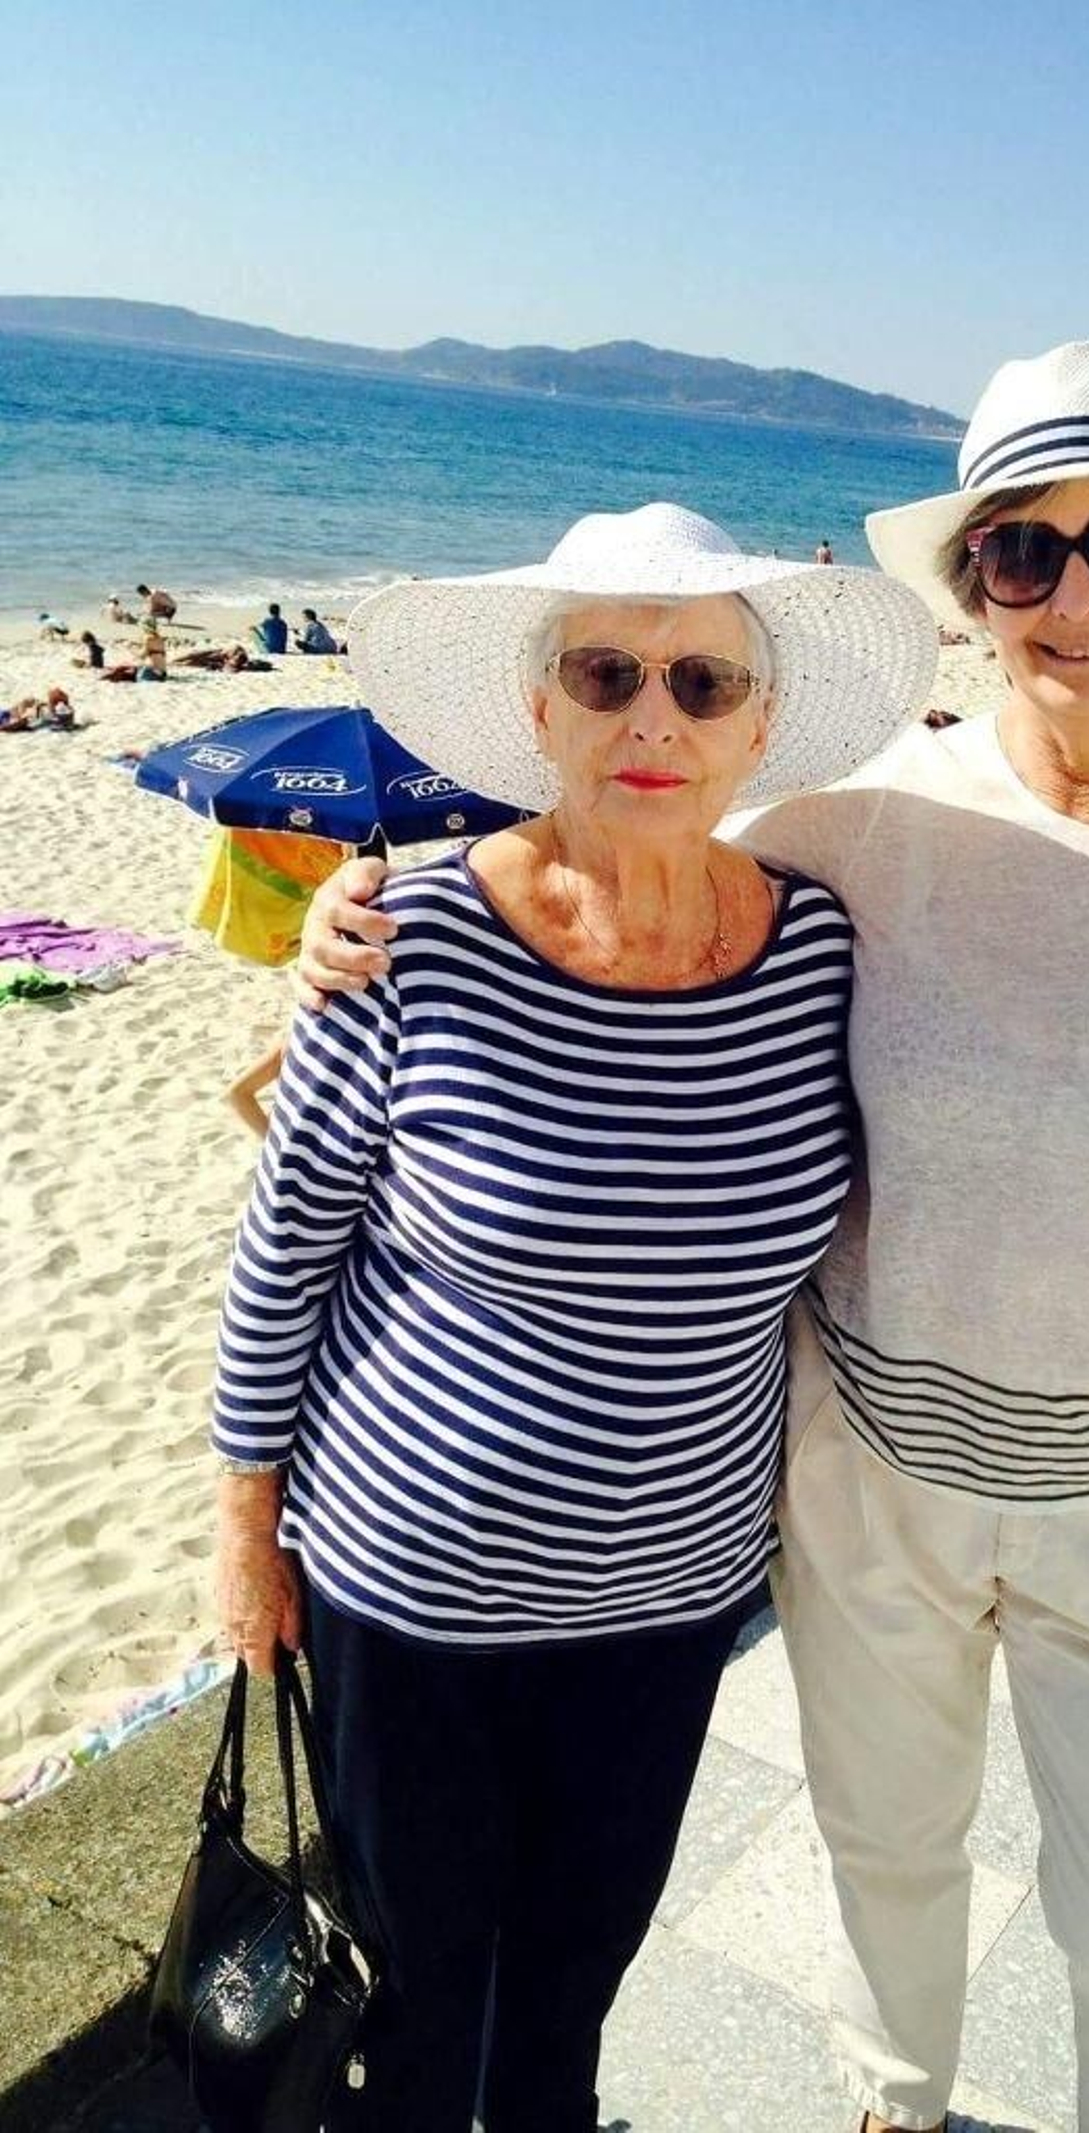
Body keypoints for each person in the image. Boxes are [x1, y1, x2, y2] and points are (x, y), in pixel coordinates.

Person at [296, 344, 1089, 2133]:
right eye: (1020, 556)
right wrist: (358, 926)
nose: (1076, 594)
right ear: (970, 595)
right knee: (889, 1861)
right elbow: (618, 859)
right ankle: (893, 2104)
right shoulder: (866, 826)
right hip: (866, 1472)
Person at [213, 500, 935, 2133]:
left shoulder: (820, 949)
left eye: (701, 680)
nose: (653, 716)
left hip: (668, 1602)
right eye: (607, 670)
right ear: (541, 711)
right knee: (420, 1990)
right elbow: (284, 1253)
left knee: (574, 1977)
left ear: (761, 723)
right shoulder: (408, 936)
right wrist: (242, 1532)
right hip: (413, 1601)